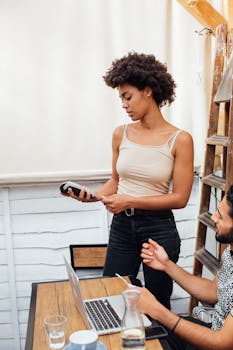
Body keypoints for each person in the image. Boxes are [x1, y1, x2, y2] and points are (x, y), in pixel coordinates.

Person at [63, 52, 194, 309]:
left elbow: (180, 199)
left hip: (159, 229)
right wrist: (94, 196)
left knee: (157, 305)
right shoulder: (119, 134)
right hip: (123, 227)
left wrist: (129, 200)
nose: (124, 104)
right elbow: (115, 181)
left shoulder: (180, 139)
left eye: (128, 96)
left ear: (148, 91)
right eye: (121, 98)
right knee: (112, 294)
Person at [136, 185, 233, 350]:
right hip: (213, 330)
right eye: (217, 211)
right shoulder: (231, 250)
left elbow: (221, 343)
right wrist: (166, 265)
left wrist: (158, 310)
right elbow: (213, 291)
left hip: (217, 342)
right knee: (146, 330)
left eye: (221, 217)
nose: (214, 217)